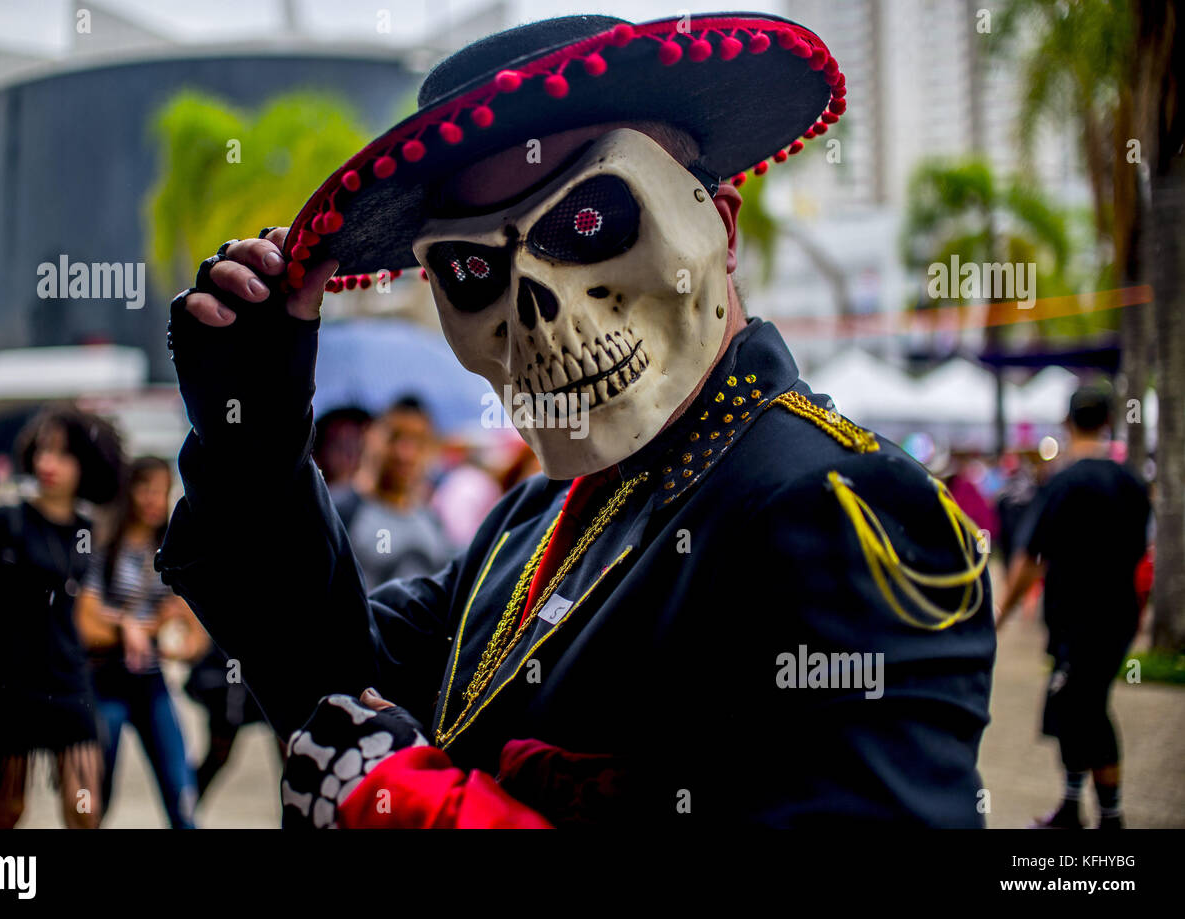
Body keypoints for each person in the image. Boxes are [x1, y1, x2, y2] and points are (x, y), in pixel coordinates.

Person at [158, 12, 995, 827]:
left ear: (719, 227)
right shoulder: (532, 526)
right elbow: (336, 687)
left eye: (588, 223)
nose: (533, 309)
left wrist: (435, 815)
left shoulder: (840, 508)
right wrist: (251, 434)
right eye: (471, 267)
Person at [0, 404, 123, 828]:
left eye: (65, 454)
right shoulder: (5, 521)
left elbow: (82, 603)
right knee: (9, 811)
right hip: (13, 688)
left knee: (86, 812)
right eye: (44, 450)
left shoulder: (86, 530)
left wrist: (127, 626)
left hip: (70, 686)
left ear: (87, 463)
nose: (49, 463)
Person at [997, 386, 1152, 829]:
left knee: (1085, 710)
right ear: (1106, 422)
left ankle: (1109, 816)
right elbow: (1142, 548)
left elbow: (1029, 560)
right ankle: (1071, 807)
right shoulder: (1131, 482)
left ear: (1067, 423)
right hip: (1118, 617)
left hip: (1077, 621)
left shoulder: (1063, 482)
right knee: (1077, 706)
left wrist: (1000, 616)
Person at [75, 455, 207, 828]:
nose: (154, 500)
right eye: (146, 489)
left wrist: (163, 638)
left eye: (162, 491)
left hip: (152, 684)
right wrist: (139, 627)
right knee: (95, 798)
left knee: (181, 792)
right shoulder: (104, 545)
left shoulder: (172, 551)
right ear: (129, 492)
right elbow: (85, 625)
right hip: (104, 685)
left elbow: (194, 639)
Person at [331, 396, 452, 587]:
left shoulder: (431, 521)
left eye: (418, 441)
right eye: (395, 437)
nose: (405, 453)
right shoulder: (340, 511)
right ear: (371, 436)